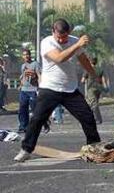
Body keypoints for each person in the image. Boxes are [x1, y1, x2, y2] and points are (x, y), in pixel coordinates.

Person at [14, 18, 101, 162]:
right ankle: (26, 149)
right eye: (59, 37)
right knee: (37, 119)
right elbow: (60, 58)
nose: (61, 40)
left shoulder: (73, 41)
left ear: (69, 33)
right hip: (50, 88)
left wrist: (94, 74)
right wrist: (78, 44)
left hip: (70, 90)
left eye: (65, 37)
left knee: (88, 117)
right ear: (53, 32)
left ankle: (95, 147)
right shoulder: (46, 42)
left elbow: (83, 59)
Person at [17, 49, 41, 133]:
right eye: (24, 55)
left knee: (35, 109)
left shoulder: (35, 64)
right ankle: (23, 126)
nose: (26, 56)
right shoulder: (23, 66)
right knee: (22, 109)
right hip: (24, 90)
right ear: (22, 56)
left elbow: (39, 75)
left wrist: (40, 87)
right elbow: (23, 76)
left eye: (27, 54)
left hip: (33, 90)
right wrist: (21, 85)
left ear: (30, 55)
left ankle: (37, 126)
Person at [82, 57, 107, 124]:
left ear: (90, 62)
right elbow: (104, 79)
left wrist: (85, 80)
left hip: (91, 89)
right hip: (99, 89)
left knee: (94, 104)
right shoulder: (100, 69)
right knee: (93, 104)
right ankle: (89, 117)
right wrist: (105, 87)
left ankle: (98, 119)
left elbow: (83, 80)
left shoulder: (87, 69)